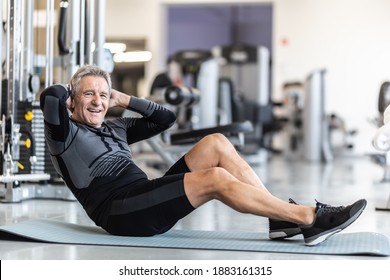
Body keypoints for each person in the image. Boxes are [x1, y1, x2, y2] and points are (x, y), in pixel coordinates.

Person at [40, 64, 366, 246]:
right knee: (214, 179)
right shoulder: (64, 134)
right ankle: (307, 217)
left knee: (216, 142)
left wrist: (124, 99)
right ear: (73, 100)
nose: (97, 101)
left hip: (142, 194)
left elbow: (165, 118)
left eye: (103, 94)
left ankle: (279, 218)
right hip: (120, 213)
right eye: (88, 94)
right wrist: (70, 93)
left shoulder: (117, 127)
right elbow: (51, 96)